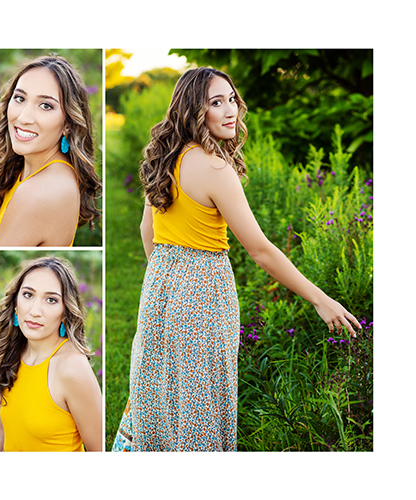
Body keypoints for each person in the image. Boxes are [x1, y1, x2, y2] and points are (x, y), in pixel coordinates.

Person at [111, 67, 361, 452]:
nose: (230, 111)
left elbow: (149, 231)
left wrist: (168, 278)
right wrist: (319, 299)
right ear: (195, 111)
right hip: (204, 294)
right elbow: (259, 250)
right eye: (216, 102)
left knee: (159, 393)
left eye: (231, 99)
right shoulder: (214, 167)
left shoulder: (167, 155)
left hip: (160, 286)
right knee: (200, 402)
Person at [0, 54, 100, 247]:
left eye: (45, 105)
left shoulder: (39, 192)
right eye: (20, 98)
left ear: (68, 124)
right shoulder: (25, 166)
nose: (24, 117)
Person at [0, 256, 103, 451]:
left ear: (65, 312)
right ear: (15, 303)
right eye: (28, 295)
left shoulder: (72, 368)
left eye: (51, 300)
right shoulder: (11, 354)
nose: (35, 311)